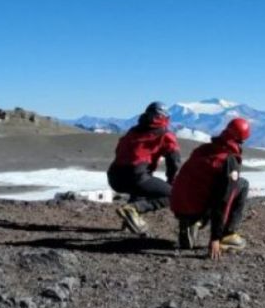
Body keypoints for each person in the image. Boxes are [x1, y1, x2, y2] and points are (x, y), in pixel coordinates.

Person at [170, 117, 251, 259]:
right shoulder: (228, 160)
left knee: (211, 186)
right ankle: (228, 234)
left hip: (178, 204)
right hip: (197, 205)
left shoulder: (204, 149)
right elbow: (224, 200)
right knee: (242, 185)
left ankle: (193, 222)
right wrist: (215, 237)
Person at [107, 102, 182, 235]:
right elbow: (174, 161)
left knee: (141, 188)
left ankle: (129, 223)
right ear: (164, 117)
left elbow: (119, 150)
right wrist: (172, 181)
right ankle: (133, 209)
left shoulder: (133, 130)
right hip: (136, 175)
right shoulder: (165, 134)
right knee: (174, 195)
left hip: (114, 176)